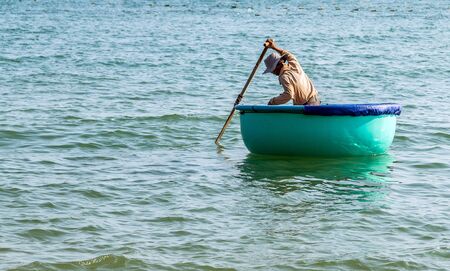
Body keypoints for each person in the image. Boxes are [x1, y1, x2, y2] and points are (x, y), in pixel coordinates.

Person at [263, 39, 320, 105]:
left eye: (272, 71)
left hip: (307, 105)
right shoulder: (294, 65)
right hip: (315, 100)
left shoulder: (284, 76)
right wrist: (274, 47)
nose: (273, 73)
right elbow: (289, 55)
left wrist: (272, 102)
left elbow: (289, 95)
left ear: (277, 66)